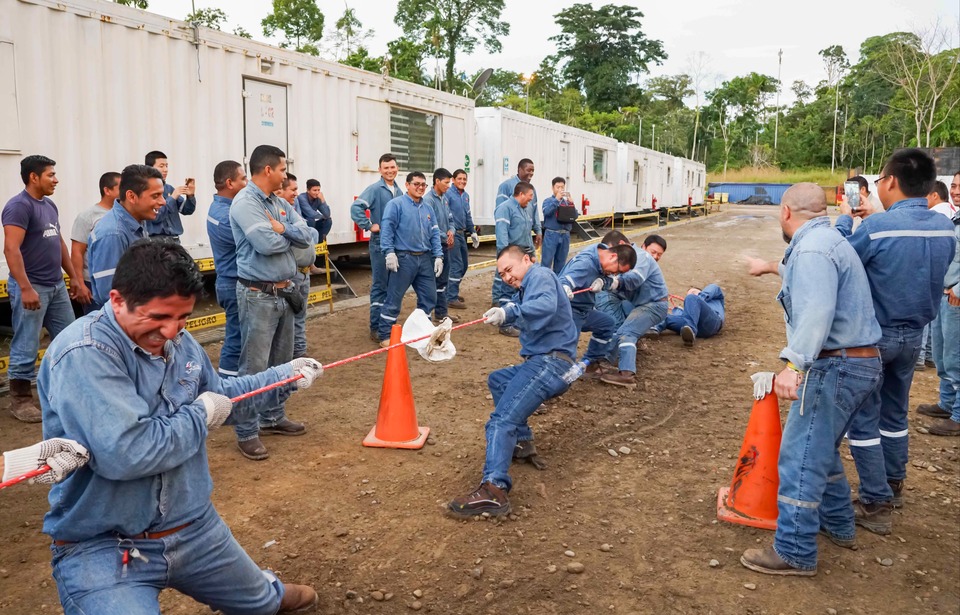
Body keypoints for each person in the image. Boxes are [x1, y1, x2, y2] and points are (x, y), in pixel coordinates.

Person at [37, 238, 322, 614]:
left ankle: (265, 593)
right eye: (158, 318)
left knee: (264, 604)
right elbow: (129, 452)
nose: (172, 332)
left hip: (192, 527)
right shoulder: (85, 352)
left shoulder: (181, 343)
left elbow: (221, 397)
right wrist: (201, 414)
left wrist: (282, 378)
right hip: (103, 544)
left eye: (182, 317)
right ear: (118, 300)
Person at [740, 183, 882, 577]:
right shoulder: (827, 241)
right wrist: (771, 266)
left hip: (836, 365)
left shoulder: (813, 249)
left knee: (800, 455)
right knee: (821, 449)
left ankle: (794, 550)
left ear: (786, 211)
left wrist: (795, 366)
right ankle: (838, 524)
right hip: (859, 363)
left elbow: (818, 308)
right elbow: (810, 278)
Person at [835, 149, 955, 534]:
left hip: (874, 338)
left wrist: (844, 221)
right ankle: (894, 483)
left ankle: (875, 502)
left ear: (889, 182)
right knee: (895, 414)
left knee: (863, 420)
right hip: (914, 338)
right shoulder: (944, 228)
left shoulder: (876, 229)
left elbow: (842, 262)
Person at [447, 245, 579, 518]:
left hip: (550, 363)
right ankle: (522, 442)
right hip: (548, 362)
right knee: (498, 380)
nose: (507, 276)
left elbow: (543, 304)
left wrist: (509, 312)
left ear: (527, 260)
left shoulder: (539, 276)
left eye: (509, 269)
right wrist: (508, 306)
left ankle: (494, 489)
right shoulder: (529, 284)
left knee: (501, 420)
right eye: (502, 273)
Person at [230, 145, 316, 461]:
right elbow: (265, 244)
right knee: (253, 367)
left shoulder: (277, 203)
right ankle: (247, 431)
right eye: (282, 169)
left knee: (281, 363)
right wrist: (289, 236)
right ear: (268, 170)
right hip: (258, 295)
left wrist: (285, 230)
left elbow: (309, 235)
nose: (285, 174)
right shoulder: (245, 203)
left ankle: (273, 417)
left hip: (283, 293)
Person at [2, 155, 88, 422]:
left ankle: (69, 389)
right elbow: (11, 249)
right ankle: (20, 400)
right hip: (33, 286)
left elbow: (58, 242)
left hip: (55, 285)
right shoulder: (18, 207)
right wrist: (26, 288)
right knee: (27, 342)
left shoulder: (49, 205)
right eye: (51, 174)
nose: (56, 179)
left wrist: (73, 276)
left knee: (70, 337)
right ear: (34, 177)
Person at [592, 231, 668, 387]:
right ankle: (603, 362)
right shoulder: (632, 259)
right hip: (640, 303)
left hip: (653, 305)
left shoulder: (642, 257)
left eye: (612, 252)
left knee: (627, 332)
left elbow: (635, 279)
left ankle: (626, 374)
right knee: (617, 326)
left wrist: (613, 282)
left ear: (621, 246)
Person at [377, 171, 443, 345]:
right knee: (394, 298)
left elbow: (435, 233)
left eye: (423, 185)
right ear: (407, 185)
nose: (420, 188)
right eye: (416, 184)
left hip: (425, 259)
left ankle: (423, 332)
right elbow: (387, 230)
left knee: (429, 298)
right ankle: (384, 335)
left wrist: (438, 256)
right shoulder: (396, 205)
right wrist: (389, 252)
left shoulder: (428, 208)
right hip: (403, 259)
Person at [558, 240, 637, 379]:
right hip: (571, 310)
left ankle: (590, 363)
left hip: (584, 309)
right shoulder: (586, 264)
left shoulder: (602, 253)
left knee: (606, 324)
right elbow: (564, 281)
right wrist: (565, 288)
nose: (615, 274)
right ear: (613, 257)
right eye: (617, 270)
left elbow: (607, 280)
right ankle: (550, 381)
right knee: (566, 352)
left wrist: (603, 281)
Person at [919, 170, 960, 437]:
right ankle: (946, 404)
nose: (956, 191)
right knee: (945, 357)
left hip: (956, 297)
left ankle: (957, 415)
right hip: (945, 295)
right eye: (954, 186)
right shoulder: (956, 218)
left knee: (956, 358)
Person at [88, 165, 164, 307]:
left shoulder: (138, 220)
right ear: (131, 196)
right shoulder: (112, 234)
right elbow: (111, 296)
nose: (163, 201)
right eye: (155, 196)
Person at [351, 154, 403, 342]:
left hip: (396, 245)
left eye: (392, 167)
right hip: (379, 242)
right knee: (380, 286)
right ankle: (375, 327)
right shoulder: (374, 189)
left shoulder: (399, 191)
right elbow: (356, 208)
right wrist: (369, 225)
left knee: (392, 286)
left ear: (397, 168)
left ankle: (386, 324)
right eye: (386, 168)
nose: (390, 170)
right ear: (380, 170)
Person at [206, 160, 248, 377]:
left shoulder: (223, 209)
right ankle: (226, 386)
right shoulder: (225, 216)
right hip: (233, 283)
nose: (247, 182)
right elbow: (255, 240)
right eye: (243, 178)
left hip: (230, 281)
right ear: (230, 183)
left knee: (239, 337)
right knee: (236, 339)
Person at [279, 173, 321, 359]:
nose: (297, 193)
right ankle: (292, 354)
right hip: (291, 273)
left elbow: (309, 232)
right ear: (281, 190)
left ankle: (299, 352)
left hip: (303, 273)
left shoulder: (292, 210)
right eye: (293, 189)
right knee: (290, 316)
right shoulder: (278, 213)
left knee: (300, 315)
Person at [70, 171, 120, 314]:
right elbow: (77, 252)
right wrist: (80, 283)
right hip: (93, 284)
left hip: (119, 283)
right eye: (120, 188)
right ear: (107, 190)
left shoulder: (124, 215)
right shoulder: (88, 216)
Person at [493, 181, 537, 336]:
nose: (531, 199)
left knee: (519, 291)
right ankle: (505, 324)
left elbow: (526, 234)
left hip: (523, 256)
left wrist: (532, 255)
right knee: (507, 291)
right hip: (511, 258)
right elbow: (502, 236)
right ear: (521, 194)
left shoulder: (526, 209)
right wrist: (506, 261)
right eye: (530, 196)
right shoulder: (505, 209)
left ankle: (516, 320)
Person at [422, 167, 457, 323]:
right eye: (446, 182)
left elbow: (450, 219)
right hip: (434, 247)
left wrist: (451, 232)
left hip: (444, 244)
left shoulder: (445, 198)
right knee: (433, 280)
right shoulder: (428, 200)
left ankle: (442, 313)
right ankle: (429, 315)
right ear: (437, 181)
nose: (448, 186)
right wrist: (445, 236)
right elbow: (430, 226)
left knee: (443, 280)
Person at [143, 150, 196, 242]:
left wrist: (190, 196)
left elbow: (187, 210)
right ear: (149, 168)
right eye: (161, 166)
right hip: (156, 242)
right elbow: (156, 217)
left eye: (167, 166)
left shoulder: (169, 189)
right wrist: (172, 198)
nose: (165, 170)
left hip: (174, 240)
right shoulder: (145, 191)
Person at [445, 169, 479, 309]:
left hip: (462, 234)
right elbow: (446, 214)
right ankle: (451, 297)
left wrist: (472, 231)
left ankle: (451, 291)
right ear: (453, 179)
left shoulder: (465, 196)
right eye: (459, 179)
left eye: (464, 179)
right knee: (456, 265)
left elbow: (468, 215)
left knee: (464, 265)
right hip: (453, 235)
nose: (462, 181)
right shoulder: (448, 194)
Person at [654, 285, 726, 346]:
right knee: (665, 317)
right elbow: (682, 318)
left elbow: (714, 287)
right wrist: (678, 310)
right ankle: (653, 329)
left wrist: (700, 296)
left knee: (691, 299)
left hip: (713, 322)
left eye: (694, 292)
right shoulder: (692, 304)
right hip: (698, 329)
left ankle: (691, 329)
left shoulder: (715, 298)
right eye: (689, 294)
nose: (692, 294)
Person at [496, 159, 542, 249]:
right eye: (528, 170)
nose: (531, 173)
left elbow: (535, 210)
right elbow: (501, 215)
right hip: (512, 243)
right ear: (519, 170)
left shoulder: (531, 189)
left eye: (533, 171)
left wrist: (538, 230)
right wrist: (504, 251)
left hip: (526, 241)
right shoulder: (506, 186)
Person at [541, 177, 578, 274]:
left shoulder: (566, 202)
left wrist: (571, 204)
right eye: (558, 187)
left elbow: (575, 216)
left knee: (561, 263)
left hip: (565, 234)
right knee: (546, 261)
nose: (560, 189)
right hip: (552, 234)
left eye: (562, 187)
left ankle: (558, 283)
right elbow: (547, 212)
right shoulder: (548, 201)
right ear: (553, 188)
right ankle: (544, 283)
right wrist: (556, 200)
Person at [296, 179, 332, 244]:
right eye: (314, 190)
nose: (317, 192)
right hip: (303, 225)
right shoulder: (301, 198)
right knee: (310, 219)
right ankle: (310, 243)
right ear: (308, 190)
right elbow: (310, 213)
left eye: (318, 190)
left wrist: (323, 200)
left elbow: (327, 214)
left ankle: (319, 242)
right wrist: (322, 216)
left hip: (312, 223)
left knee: (328, 221)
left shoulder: (318, 198)